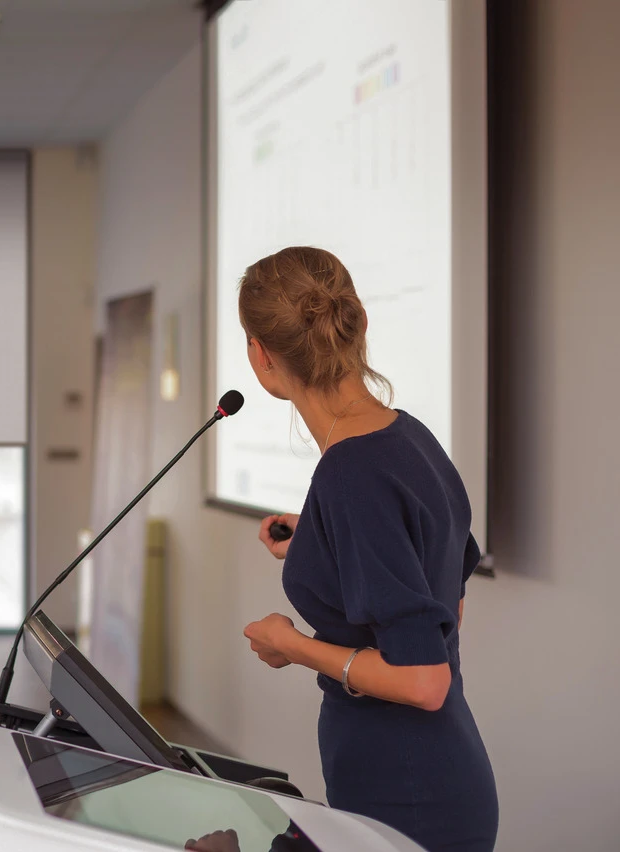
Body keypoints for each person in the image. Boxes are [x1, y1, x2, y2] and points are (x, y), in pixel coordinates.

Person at [235, 247, 498, 851]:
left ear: (259, 354)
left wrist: (293, 645)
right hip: (433, 778)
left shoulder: (350, 474)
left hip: (406, 796)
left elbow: (423, 679)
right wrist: (324, 539)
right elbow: (441, 598)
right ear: (358, 325)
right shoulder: (408, 436)